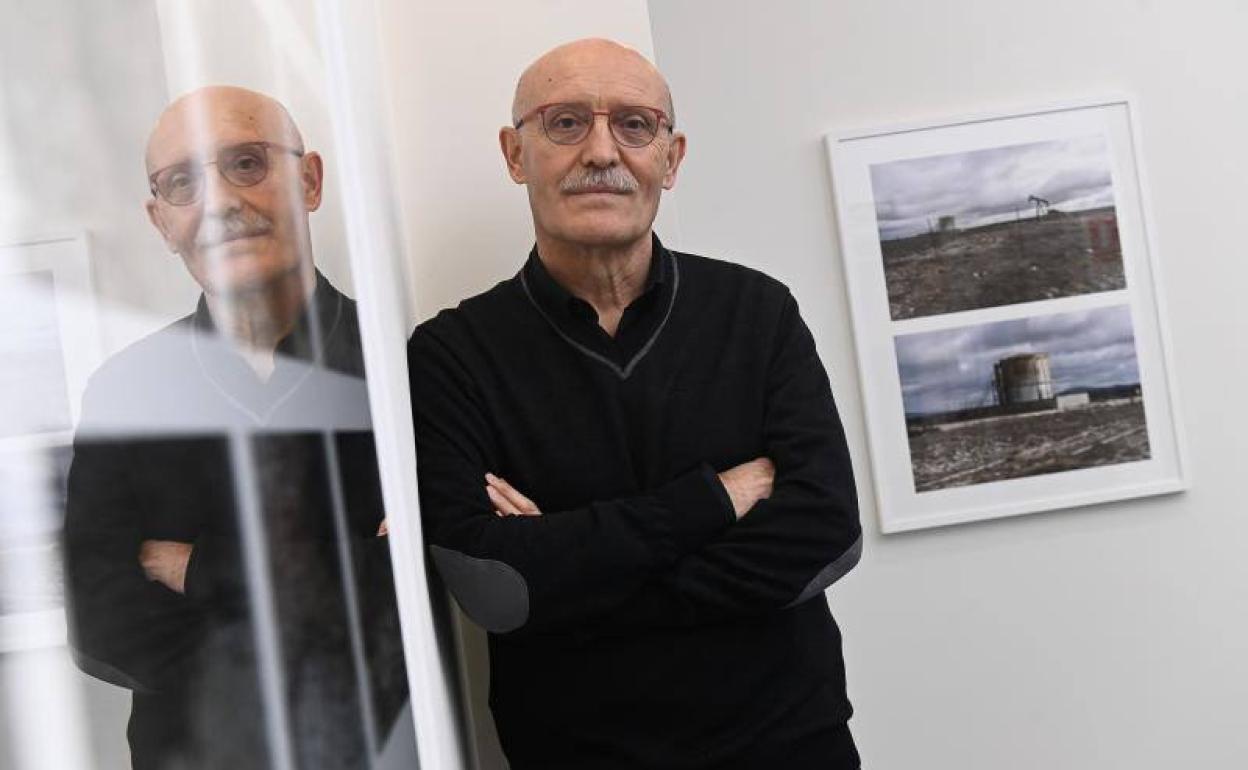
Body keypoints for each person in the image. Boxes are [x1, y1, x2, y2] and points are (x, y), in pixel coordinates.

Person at [407, 38, 863, 769]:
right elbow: (498, 589)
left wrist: (573, 571)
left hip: (789, 747)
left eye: (634, 124)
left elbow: (828, 535)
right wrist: (715, 499)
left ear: (671, 158)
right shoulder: (450, 355)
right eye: (563, 123)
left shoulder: (758, 314)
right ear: (514, 153)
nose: (600, 151)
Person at [64, 86, 405, 770]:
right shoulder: (126, 390)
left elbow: (409, 585)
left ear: (308, 181)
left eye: (246, 163)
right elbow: (99, 617)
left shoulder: (404, 369)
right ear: (160, 220)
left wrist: (192, 565)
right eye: (183, 182)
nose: (219, 202)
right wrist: (340, 568)